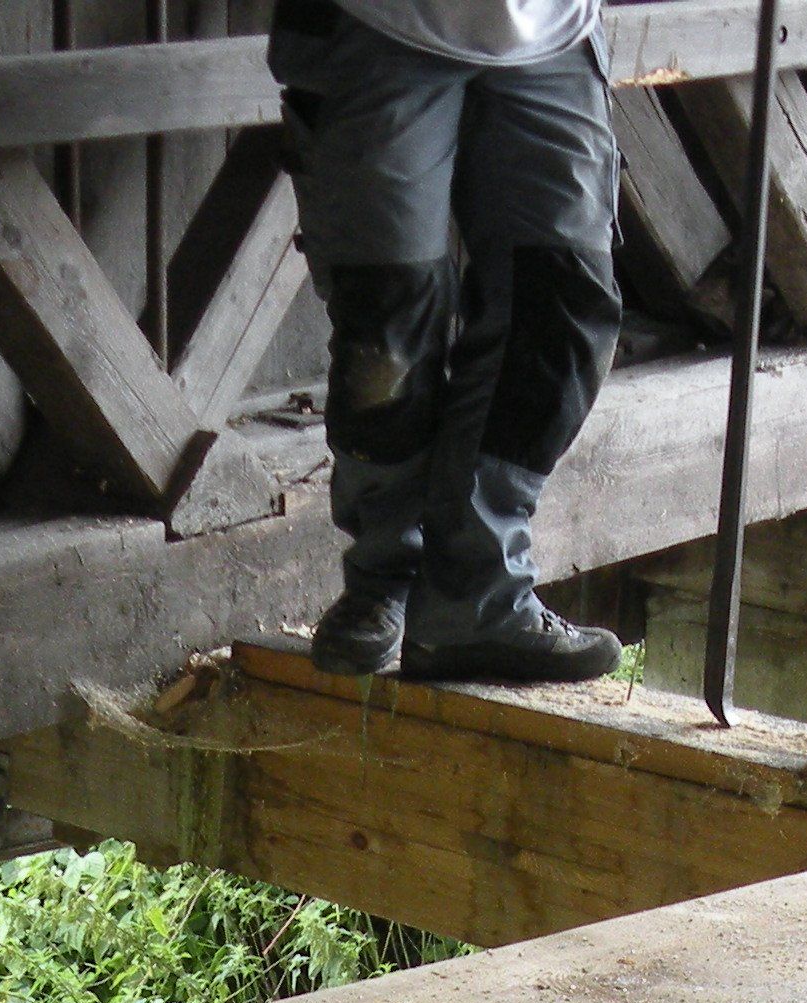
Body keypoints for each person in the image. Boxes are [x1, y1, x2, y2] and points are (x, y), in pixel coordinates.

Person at [268, 0, 626, 682]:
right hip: (381, 22)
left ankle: (476, 599)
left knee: (561, 301)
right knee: (388, 321)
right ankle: (385, 580)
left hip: (551, 28)